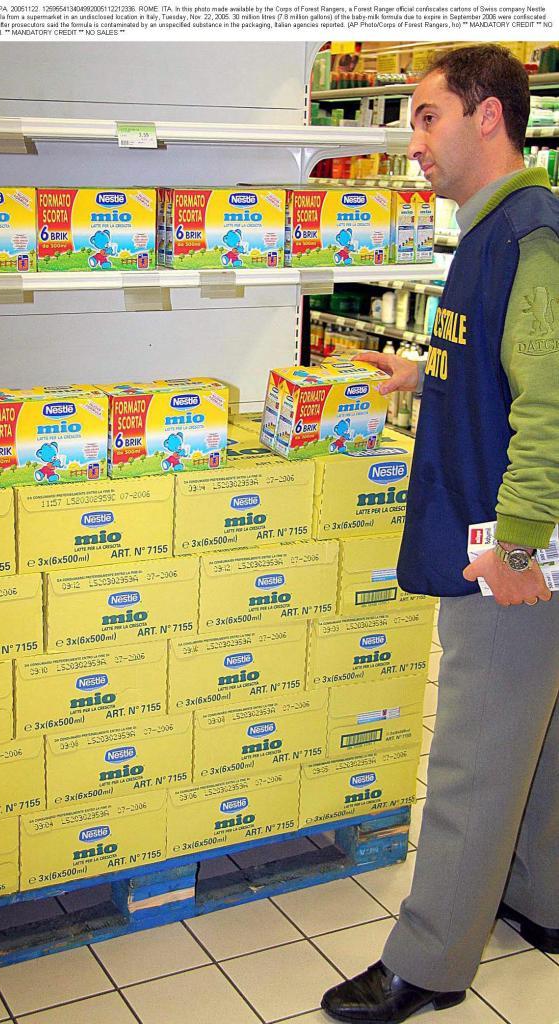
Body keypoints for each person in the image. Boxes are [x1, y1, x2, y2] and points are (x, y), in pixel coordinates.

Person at [322, 44, 559, 1023]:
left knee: (468, 747)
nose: (411, 141)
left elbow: (550, 408)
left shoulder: (527, 238)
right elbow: (507, 361)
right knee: (533, 738)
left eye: (425, 117)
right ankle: (538, 900)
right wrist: (426, 376)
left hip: (505, 545)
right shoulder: (493, 232)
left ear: (488, 118)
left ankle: (425, 963)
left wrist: (511, 547)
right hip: (515, 533)